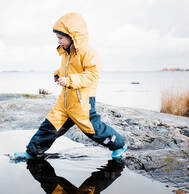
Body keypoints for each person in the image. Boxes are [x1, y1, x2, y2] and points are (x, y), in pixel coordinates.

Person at [13, 12, 127, 160]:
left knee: (93, 129)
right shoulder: (66, 52)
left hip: (82, 102)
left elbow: (92, 75)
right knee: (49, 126)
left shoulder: (87, 52)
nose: (59, 41)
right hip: (65, 101)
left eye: (61, 38)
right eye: (58, 38)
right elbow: (66, 70)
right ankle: (32, 152)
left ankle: (119, 145)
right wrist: (58, 75)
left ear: (73, 36)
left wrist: (69, 80)